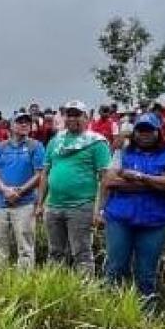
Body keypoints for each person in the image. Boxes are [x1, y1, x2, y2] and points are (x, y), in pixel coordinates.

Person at [97, 114, 165, 309]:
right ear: (134, 133)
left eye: (149, 130)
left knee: (146, 273)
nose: (144, 134)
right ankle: (110, 311)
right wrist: (158, 183)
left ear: (158, 132)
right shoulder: (122, 154)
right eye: (140, 130)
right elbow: (110, 181)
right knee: (115, 268)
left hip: (154, 222)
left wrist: (139, 177)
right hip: (120, 220)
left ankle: (147, 317)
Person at [40, 101, 111, 275]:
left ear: (86, 118)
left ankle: (84, 293)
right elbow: (45, 173)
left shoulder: (97, 143)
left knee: (82, 253)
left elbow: (105, 179)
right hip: (53, 206)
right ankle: (54, 289)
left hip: (81, 206)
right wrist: (39, 203)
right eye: (69, 114)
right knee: (55, 252)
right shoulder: (55, 141)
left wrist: (99, 210)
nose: (72, 118)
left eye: (77, 114)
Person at [0, 111, 47, 269]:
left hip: (25, 203)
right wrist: (5, 189)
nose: (24, 124)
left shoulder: (36, 146)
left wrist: (20, 191)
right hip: (0, 203)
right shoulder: (1, 146)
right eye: (20, 121)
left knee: (26, 247)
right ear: (11, 126)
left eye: (27, 122)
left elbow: (40, 173)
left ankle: (24, 283)